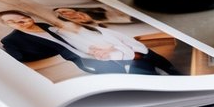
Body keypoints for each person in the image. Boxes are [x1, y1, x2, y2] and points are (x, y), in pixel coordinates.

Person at [51, 7, 179, 75]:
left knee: (167, 67)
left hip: (139, 48)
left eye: (64, 10)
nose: (65, 14)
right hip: (126, 55)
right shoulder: (81, 28)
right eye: (62, 14)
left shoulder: (93, 14)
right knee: (147, 74)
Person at [0, 10, 124, 75]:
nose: (20, 23)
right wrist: (62, 58)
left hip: (92, 55)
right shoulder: (10, 41)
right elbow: (20, 67)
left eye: (22, 19)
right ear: (6, 24)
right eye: (11, 22)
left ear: (31, 18)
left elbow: (68, 41)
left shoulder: (44, 25)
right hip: (68, 67)